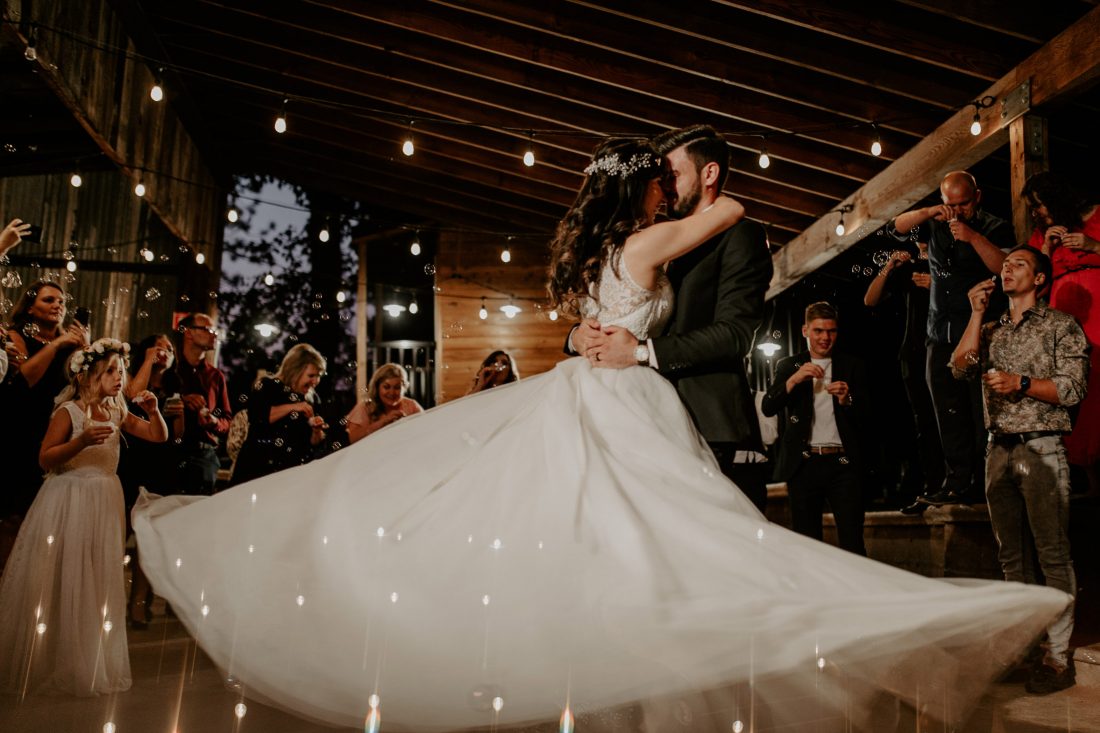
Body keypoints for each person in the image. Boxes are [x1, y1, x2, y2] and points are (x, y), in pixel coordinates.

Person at [134, 138, 1067, 732]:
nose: (668, 185)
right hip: (625, 397)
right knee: (661, 540)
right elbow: (731, 211)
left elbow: (618, 307)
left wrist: (607, 327)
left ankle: (625, 684)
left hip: (593, 387)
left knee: (607, 541)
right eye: (656, 177)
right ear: (643, 192)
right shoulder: (642, 242)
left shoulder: (592, 252)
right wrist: (672, 225)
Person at [577, 124, 773, 512]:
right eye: (661, 179)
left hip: (713, 427)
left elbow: (735, 334)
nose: (664, 188)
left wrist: (639, 353)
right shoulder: (656, 237)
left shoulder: (741, 237)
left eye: (673, 176)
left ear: (709, 174)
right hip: (649, 426)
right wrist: (578, 335)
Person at [951, 246, 1088, 694]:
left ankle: (1056, 658)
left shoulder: (1060, 326)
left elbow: (1072, 388)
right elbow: (958, 368)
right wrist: (974, 315)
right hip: (998, 451)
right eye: (1005, 264)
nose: (1007, 269)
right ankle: (1023, 650)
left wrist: (1021, 383)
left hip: (1041, 447)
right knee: (1012, 558)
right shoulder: (990, 330)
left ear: (1041, 279)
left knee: (1052, 553)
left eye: (1019, 264)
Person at [0, 338, 167, 695]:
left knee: (95, 574)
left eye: (120, 372)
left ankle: (84, 656)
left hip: (104, 498)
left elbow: (157, 436)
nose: (119, 378)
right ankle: (52, 654)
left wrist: (154, 411)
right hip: (68, 497)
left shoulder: (118, 411)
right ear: (87, 376)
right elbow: (45, 458)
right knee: (64, 572)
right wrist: (81, 442)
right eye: (110, 371)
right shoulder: (69, 413)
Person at [888, 171, 1015, 511]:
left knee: (979, 410)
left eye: (963, 204)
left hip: (978, 333)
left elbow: (1005, 270)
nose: (957, 212)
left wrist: (973, 237)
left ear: (978, 197)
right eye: (950, 205)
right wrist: (930, 212)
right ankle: (956, 481)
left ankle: (985, 482)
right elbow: (896, 227)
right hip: (938, 333)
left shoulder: (994, 226)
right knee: (946, 411)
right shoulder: (934, 223)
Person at [761, 302, 868, 555]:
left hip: (843, 464)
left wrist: (847, 400)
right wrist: (795, 379)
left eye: (831, 331)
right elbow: (768, 407)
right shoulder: (789, 366)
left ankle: (860, 592)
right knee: (807, 544)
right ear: (805, 331)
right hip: (804, 464)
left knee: (853, 541)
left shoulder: (852, 365)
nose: (825, 337)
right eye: (818, 331)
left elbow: (868, 417)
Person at [1, 281, 89, 571]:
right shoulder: (15, 337)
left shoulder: (71, 346)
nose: (58, 305)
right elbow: (25, 381)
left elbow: (85, 389)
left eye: (61, 301)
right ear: (29, 308)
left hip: (55, 435)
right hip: (18, 433)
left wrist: (86, 351)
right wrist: (57, 344)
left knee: (45, 518)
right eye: (49, 300)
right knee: (14, 515)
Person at [1023, 172, 1100, 495]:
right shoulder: (1042, 235)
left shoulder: (1097, 217)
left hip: (1096, 315)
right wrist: (1045, 250)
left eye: (1039, 206)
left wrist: (1093, 245)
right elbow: (1031, 284)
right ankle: (1085, 480)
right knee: (1069, 390)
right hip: (1064, 324)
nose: (1035, 213)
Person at [863, 243, 945, 510]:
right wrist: (888, 267)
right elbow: (870, 300)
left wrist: (938, 285)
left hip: (946, 346)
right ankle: (931, 487)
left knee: (948, 419)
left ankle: (956, 484)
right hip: (913, 351)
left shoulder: (951, 260)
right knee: (923, 424)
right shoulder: (909, 267)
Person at [117, 333, 185, 629]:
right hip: (131, 460)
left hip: (161, 463)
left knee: (148, 537)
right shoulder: (129, 377)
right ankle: (112, 597)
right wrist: (147, 361)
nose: (165, 353)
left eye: (170, 350)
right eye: (159, 348)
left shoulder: (175, 387)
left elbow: (178, 435)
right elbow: (131, 396)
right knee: (118, 534)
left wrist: (180, 416)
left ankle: (139, 604)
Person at [231, 344, 329, 485]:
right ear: (294, 371)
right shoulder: (268, 386)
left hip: (291, 472)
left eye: (318, 376)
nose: (315, 381)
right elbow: (259, 417)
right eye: (311, 375)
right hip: (258, 467)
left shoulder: (312, 399)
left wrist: (316, 430)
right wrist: (294, 407)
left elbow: (314, 444)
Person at [173, 313, 232, 494]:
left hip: (203, 456)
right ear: (188, 333)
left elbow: (227, 420)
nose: (214, 334)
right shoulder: (171, 370)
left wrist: (214, 422)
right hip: (170, 453)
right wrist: (181, 400)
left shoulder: (215, 376)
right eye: (208, 329)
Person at [345, 363, 424, 444]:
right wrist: (384, 422)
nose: (392, 392)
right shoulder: (365, 407)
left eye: (397, 387)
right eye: (386, 387)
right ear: (377, 387)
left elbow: (424, 434)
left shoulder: (412, 406)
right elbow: (353, 439)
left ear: (404, 388)